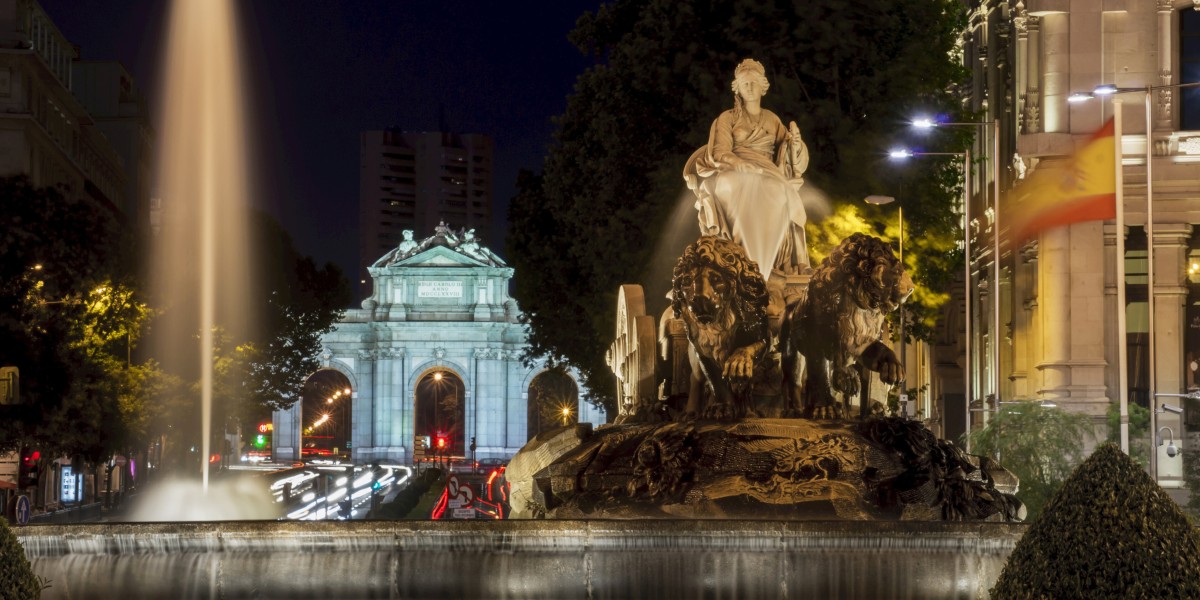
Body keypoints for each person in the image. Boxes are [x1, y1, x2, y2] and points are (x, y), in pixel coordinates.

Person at [683, 58, 810, 279]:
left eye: (753, 82)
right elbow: (720, 152)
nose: (749, 87)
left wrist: (796, 144)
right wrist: (739, 164)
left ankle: (768, 265)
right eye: (744, 84)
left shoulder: (772, 120)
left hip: (767, 172)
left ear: (763, 86)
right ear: (738, 89)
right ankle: (741, 259)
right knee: (738, 185)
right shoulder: (727, 118)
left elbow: (790, 157)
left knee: (778, 191)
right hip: (732, 170)